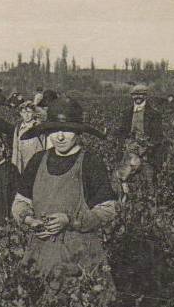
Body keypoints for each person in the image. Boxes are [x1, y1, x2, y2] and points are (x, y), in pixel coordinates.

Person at [11, 99, 115, 280]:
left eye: (66, 130)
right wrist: (29, 220)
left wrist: (70, 220)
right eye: (54, 130)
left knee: (80, 301)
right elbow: (20, 201)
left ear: (78, 132)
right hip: (41, 251)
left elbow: (108, 209)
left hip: (80, 255)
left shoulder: (90, 163)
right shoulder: (37, 160)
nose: (59, 137)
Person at [115, 84, 164, 180]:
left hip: (147, 154)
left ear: (146, 96)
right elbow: (122, 132)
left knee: (148, 180)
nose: (137, 97)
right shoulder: (126, 113)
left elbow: (158, 136)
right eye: (135, 94)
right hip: (129, 153)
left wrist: (147, 147)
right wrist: (123, 146)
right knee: (124, 181)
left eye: (141, 94)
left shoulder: (154, 114)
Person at [11, 100, 45, 173]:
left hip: (36, 164)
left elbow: (45, 145)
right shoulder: (18, 128)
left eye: (29, 112)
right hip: (22, 164)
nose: (26, 115)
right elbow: (15, 148)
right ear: (20, 114)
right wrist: (13, 167)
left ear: (33, 113)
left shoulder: (39, 126)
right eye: (23, 112)